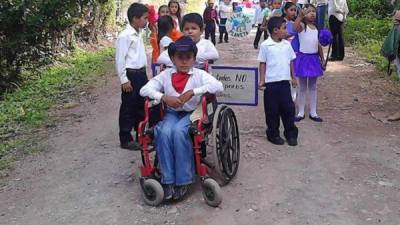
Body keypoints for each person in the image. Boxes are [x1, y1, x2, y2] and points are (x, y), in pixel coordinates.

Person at [140, 36, 224, 200]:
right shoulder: (166, 74)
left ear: (194, 58)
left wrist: (193, 91)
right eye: (180, 58)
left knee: (179, 132)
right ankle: (168, 180)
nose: (184, 62)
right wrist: (163, 97)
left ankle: (183, 180)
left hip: (193, 113)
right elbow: (145, 90)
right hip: (172, 113)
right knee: (163, 132)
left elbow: (218, 86)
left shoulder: (199, 74)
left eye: (188, 58)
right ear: (172, 59)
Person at [257, 16, 299, 146]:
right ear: (275, 30)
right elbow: (262, 63)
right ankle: (273, 134)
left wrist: (293, 77)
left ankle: (290, 133)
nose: (286, 30)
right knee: (272, 111)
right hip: (271, 84)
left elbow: (291, 61)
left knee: (288, 109)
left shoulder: (287, 45)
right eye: (284, 28)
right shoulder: (265, 45)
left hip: (284, 83)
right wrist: (262, 80)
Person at [115, 3, 149, 150]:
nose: (146, 21)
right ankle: (125, 138)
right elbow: (120, 59)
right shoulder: (125, 36)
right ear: (135, 19)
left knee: (141, 105)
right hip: (131, 75)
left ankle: (140, 135)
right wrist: (124, 79)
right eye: (144, 18)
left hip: (141, 73)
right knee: (128, 106)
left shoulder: (139, 33)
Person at [293, 4, 325, 122]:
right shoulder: (302, 26)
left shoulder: (316, 28)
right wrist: (300, 16)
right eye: (309, 11)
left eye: (314, 11)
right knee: (302, 86)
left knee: (313, 86)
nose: (312, 13)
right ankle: (300, 112)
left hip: (313, 59)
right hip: (303, 58)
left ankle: (313, 112)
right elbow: (294, 28)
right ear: (303, 14)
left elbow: (319, 45)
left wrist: (322, 59)